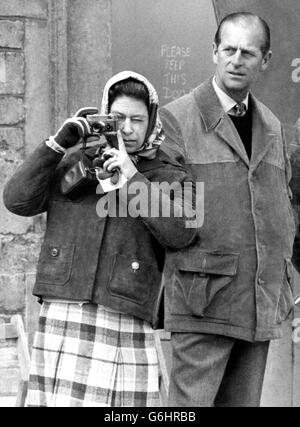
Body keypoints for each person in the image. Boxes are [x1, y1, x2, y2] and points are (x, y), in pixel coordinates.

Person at [3, 71, 196, 407]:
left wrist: (132, 177)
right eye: (118, 118)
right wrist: (58, 143)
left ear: (152, 122)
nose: (127, 129)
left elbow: (183, 232)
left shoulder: (169, 173)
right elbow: (16, 200)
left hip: (125, 315)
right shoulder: (73, 161)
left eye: (138, 120)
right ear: (103, 116)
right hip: (64, 311)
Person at [159, 12, 297, 407]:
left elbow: (282, 211)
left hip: (259, 301)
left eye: (248, 53)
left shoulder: (272, 125)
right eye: (229, 50)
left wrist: (285, 285)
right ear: (214, 53)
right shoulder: (176, 118)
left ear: (265, 60)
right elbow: (167, 220)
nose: (237, 60)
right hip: (203, 302)